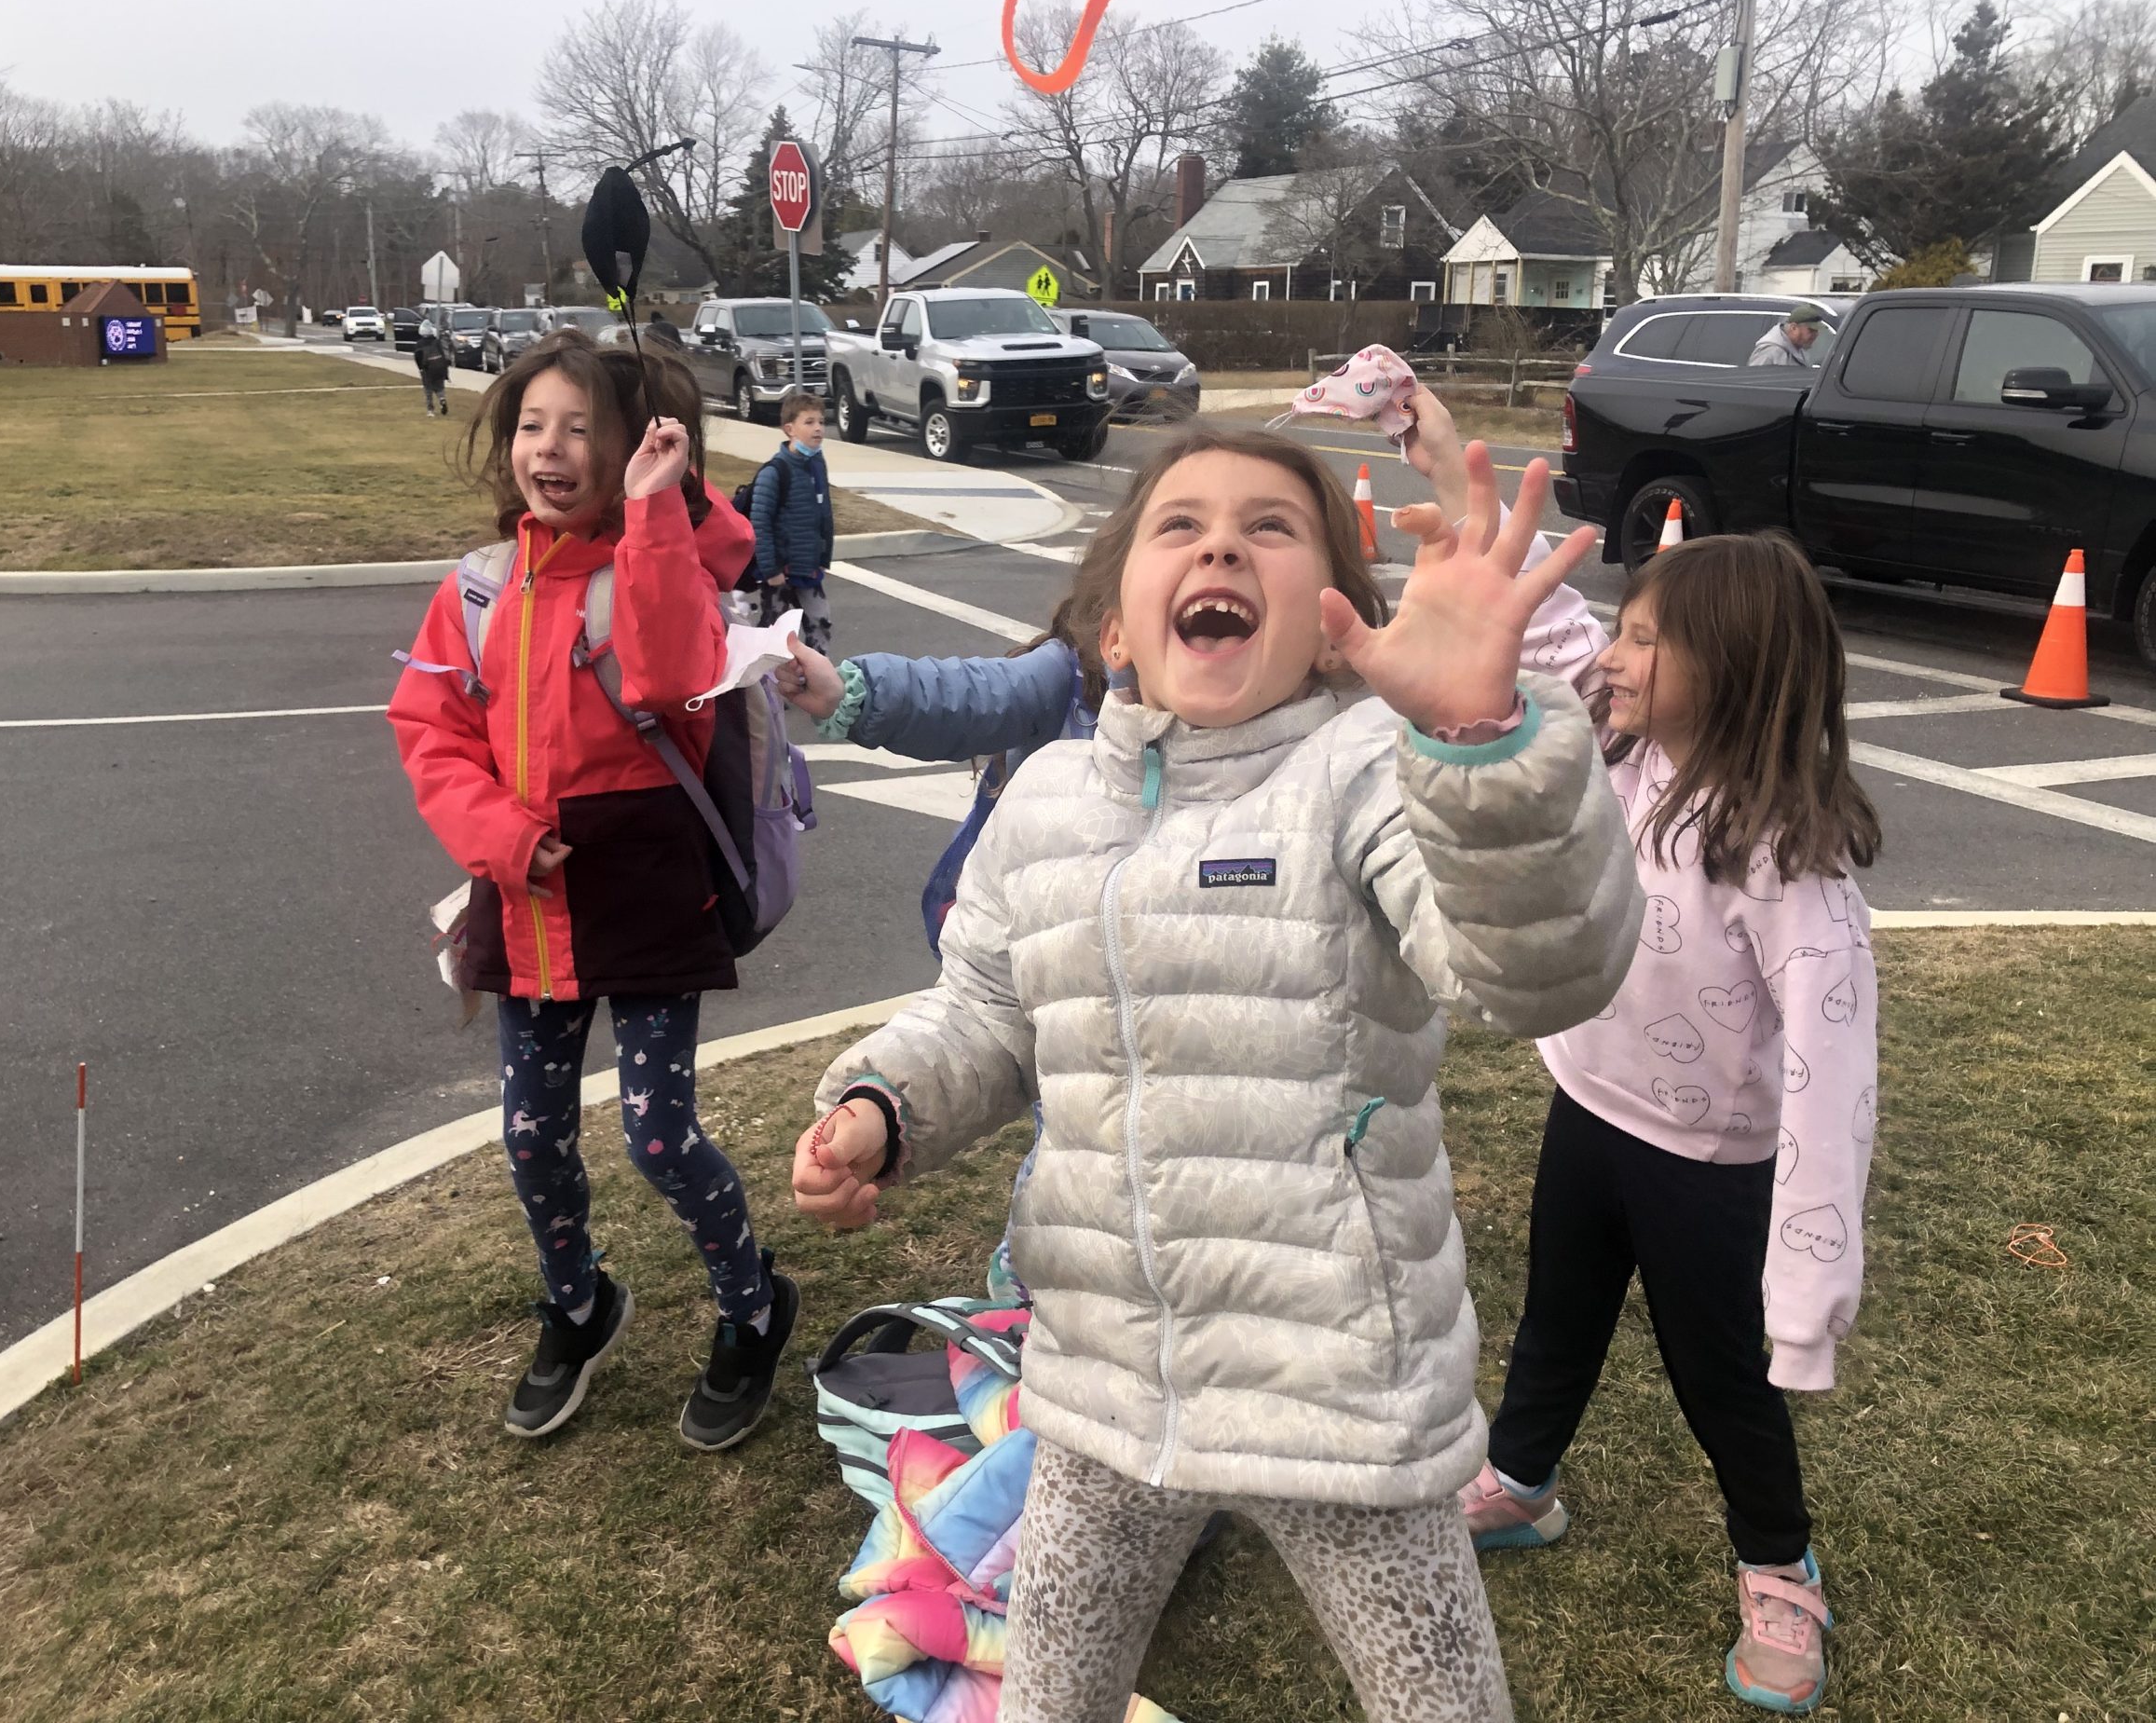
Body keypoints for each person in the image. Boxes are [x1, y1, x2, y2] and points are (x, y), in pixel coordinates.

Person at [792, 420, 1643, 1721]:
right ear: (1116, 628)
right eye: (1179, 525)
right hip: (1101, 1386)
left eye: (1273, 526)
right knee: (1049, 1702)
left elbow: (1536, 974)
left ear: (1330, 619)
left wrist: (1480, 743)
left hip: (1337, 1394)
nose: (1223, 543)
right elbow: (985, 1014)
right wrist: (882, 1105)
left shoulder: (1365, 773)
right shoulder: (1047, 804)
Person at [1459, 532, 1879, 1717]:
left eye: (1647, 638)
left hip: (1709, 1169)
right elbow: (1551, 636)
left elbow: (1830, 1086)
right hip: (1587, 1109)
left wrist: (1804, 1298)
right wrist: (1425, 445)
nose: (1617, 655)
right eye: (1626, 629)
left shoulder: (1791, 860)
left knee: (1722, 1380)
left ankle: (1776, 1566)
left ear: (1734, 667)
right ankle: (1522, 1480)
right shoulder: (1627, 746)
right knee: (1555, 1320)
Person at [389, 332, 800, 1453]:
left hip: (650, 885)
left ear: (631, 447)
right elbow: (429, 730)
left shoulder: (664, 566)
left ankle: (753, 1307)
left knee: (659, 1135)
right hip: (524, 894)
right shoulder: (477, 587)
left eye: (580, 427)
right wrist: (497, 839)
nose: (551, 448)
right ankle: (578, 1304)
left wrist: (660, 513)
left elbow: (672, 675)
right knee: (532, 1136)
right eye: (532, 424)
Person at [748, 391, 835, 656]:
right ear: (790, 429)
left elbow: (824, 514)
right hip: (780, 571)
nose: (818, 428)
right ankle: (770, 689)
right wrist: (770, 569)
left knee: (820, 623)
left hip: (807, 567)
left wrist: (823, 556)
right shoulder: (774, 472)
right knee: (777, 636)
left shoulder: (816, 464)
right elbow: (759, 523)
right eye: (809, 422)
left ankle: (816, 682)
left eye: (821, 421)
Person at [1748, 302, 1827, 368]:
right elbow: (1754, 383)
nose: (1816, 334)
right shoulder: (1770, 352)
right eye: (1811, 330)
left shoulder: (1799, 348)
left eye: (1817, 330)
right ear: (1793, 328)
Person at [415, 319, 452, 417]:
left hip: (428, 369)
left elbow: (418, 358)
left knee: (428, 390)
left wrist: (421, 369)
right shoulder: (436, 342)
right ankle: (442, 399)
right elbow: (443, 355)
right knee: (439, 387)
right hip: (440, 368)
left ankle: (430, 410)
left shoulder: (419, 344)